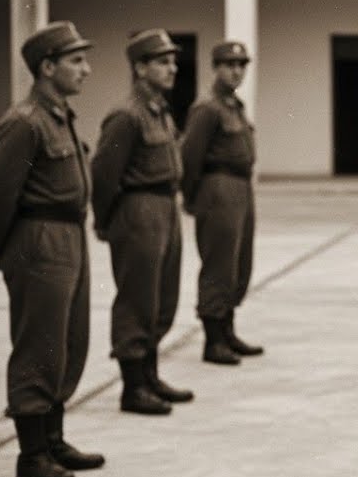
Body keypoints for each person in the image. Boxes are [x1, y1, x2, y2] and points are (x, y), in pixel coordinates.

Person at [0, 23, 105, 477]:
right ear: (47, 67)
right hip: (39, 239)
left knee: (69, 341)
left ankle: (53, 438)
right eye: (76, 60)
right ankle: (32, 454)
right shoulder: (25, 120)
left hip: (69, 236)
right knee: (40, 343)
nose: (86, 69)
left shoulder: (60, 115)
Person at [91, 28, 193, 415]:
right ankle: (132, 387)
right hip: (139, 210)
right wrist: (105, 221)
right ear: (139, 68)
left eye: (172, 61)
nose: (172, 69)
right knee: (138, 297)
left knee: (162, 296)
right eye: (162, 62)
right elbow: (104, 174)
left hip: (165, 207)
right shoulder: (126, 115)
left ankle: (149, 375)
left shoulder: (160, 111)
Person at [180, 40, 263, 366]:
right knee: (219, 261)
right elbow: (190, 156)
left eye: (242, 65)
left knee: (239, 261)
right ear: (215, 68)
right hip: (218, 186)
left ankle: (227, 330)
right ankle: (213, 339)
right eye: (229, 64)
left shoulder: (235, 106)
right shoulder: (208, 108)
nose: (236, 70)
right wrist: (191, 196)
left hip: (241, 187)